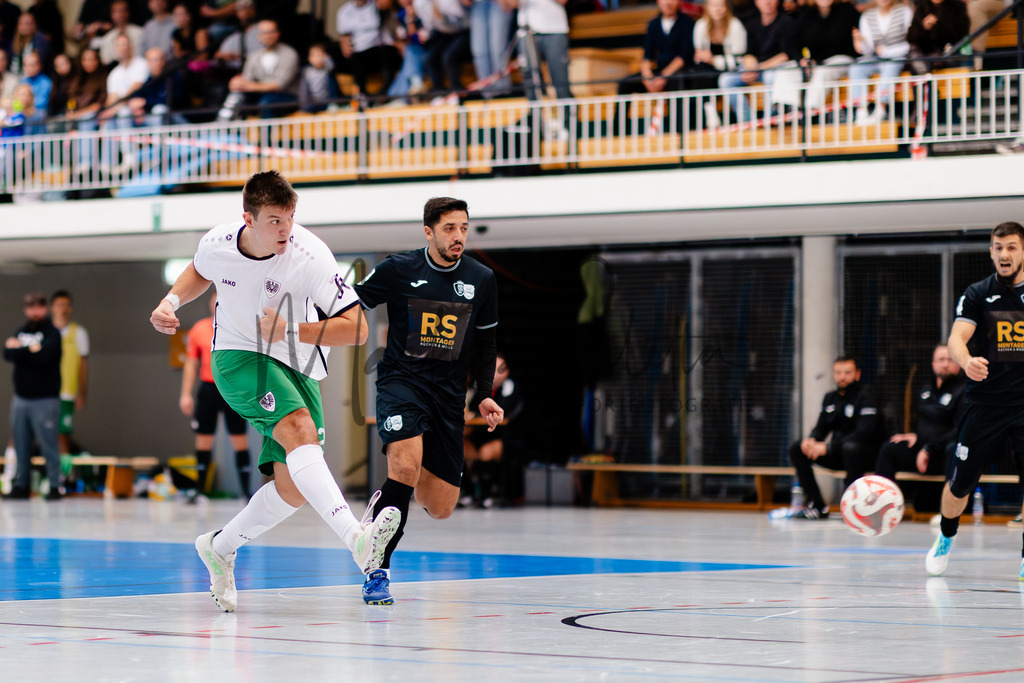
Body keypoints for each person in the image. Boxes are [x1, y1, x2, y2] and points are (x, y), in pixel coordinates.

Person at [149, 170, 400, 613]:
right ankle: (357, 541)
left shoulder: (309, 255)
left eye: (289, 217)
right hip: (238, 356)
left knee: (293, 489)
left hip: (298, 359)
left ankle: (219, 546)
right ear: (248, 218)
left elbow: (358, 329)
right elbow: (198, 271)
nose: (285, 230)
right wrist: (171, 301)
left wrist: (293, 329)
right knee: (299, 427)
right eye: (273, 221)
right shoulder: (218, 242)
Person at [353, 196, 503, 605]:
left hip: (449, 398)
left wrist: (485, 394)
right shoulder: (399, 269)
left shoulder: (482, 278)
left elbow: (486, 344)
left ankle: (386, 504)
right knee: (403, 467)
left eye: (464, 228)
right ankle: (377, 569)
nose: (458, 236)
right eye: (450, 228)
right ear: (429, 231)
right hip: (402, 383)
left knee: (439, 506)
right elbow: (352, 303)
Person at [926, 221, 1024, 578]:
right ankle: (946, 537)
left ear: (1022, 251)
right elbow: (956, 338)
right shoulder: (978, 293)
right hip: (985, 403)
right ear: (991, 252)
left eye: (1011, 247)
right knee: (960, 483)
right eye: (998, 247)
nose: (1004, 254)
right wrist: (966, 361)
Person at [785, 356, 882, 519]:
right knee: (797, 449)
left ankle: (852, 508)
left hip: (865, 456)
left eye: (847, 372)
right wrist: (812, 440)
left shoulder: (866, 397)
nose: (842, 376)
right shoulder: (830, 398)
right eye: (838, 372)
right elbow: (821, 427)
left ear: (857, 374)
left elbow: (863, 434)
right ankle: (817, 506)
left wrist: (828, 447)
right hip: (839, 453)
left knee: (850, 447)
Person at [180, 291, 252, 501]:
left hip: (233, 390)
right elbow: (191, 364)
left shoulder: (239, 327)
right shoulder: (199, 329)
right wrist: (185, 394)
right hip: (208, 389)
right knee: (203, 440)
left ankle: (246, 492)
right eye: (215, 300)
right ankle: (200, 490)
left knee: (239, 439)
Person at [875, 344, 965, 510]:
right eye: (941, 359)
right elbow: (926, 422)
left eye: (950, 359)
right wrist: (915, 435)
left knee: (954, 448)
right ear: (933, 364)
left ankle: (950, 509)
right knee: (889, 449)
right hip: (922, 454)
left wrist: (930, 448)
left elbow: (959, 430)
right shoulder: (925, 389)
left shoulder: (964, 391)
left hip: (943, 455)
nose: (945, 363)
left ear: (958, 363)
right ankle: (881, 506)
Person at [3, 292, 62, 501]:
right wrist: (31, 350)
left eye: (38, 306)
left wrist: (21, 350)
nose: (34, 311)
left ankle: (55, 486)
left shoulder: (52, 333)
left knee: (48, 444)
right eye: (30, 307)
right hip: (21, 398)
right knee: (20, 443)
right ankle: (21, 485)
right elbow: (7, 354)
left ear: (44, 308)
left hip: (45, 399)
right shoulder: (22, 331)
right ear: (25, 309)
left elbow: (44, 358)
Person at [717, 0, 799, 122]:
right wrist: (751, 68)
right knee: (726, 80)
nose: (767, 2)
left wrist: (759, 68)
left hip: (776, 68)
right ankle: (747, 120)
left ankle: (768, 120)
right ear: (756, 2)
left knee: (770, 77)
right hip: (757, 68)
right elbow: (748, 53)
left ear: (777, 2)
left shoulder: (787, 23)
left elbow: (785, 55)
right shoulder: (752, 23)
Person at [461, 352, 522, 507]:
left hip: (501, 437)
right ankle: (467, 491)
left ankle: (487, 493)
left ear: (506, 372)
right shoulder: (479, 387)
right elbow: (474, 410)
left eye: (498, 369)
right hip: (478, 435)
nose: (493, 373)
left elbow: (505, 413)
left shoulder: (510, 389)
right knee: (458, 448)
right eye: (490, 368)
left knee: (486, 452)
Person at [216, 19, 299, 120]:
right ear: (259, 36)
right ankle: (224, 124)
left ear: (278, 33)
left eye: (271, 31)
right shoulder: (254, 56)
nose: (268, 35)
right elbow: (246, 79)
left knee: (266, 102)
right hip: (261, 95)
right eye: (264, 32)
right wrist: (237, 84)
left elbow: (279, 85)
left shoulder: (289, 54)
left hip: (286, 97)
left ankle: (265, 136)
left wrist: (249, 86)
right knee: (237, 97)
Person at [794, 0, 860, 122]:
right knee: (789, 70)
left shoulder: (847, 10)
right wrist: (802, 59)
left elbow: (848, 42)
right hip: (817, 62)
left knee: (824, 71)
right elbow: (796, 42)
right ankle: (788, 112)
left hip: (843, 59)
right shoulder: (807, 14)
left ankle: (811, 115)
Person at [848, 0, 912, 125]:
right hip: (876, 58)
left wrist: (888, 51)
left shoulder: (904, 11)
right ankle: (861, 111)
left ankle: (880, 109)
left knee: (891, 65)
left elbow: (910, 42)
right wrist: (859, 41)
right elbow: (868, 49)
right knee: (856, 68)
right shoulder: (867, 16)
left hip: (898, 56)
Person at [617, 0, 695, 96]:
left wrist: (663, 76)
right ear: (658, 2)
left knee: (676, 81)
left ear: (679, 2)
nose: (668, 2)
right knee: (625, 83)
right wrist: (648, 77)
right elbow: (647, 56)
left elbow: (684, 56)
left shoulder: (687, 23)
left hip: (678, 72)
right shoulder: (653, 24)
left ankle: (672, 111)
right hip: (658, 72)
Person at [49, 290, 90, 456]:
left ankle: (62, 474)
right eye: (59, 305)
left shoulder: (78, 333)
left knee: (62, 433)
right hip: (45, 392)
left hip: (67, 391)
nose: (63, 309)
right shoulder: (45, 332)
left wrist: (82, 391)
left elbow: (83, 365)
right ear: (52, 308)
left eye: (66, 305)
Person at [336, 0, 401, 97]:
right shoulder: (344, 12)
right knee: (354, 57)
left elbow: (392, 18)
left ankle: (386, 92)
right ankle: (362, 95)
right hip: (358, 52)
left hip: (377, 48)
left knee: (388, 51)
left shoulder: (377, 5)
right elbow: (345, 38)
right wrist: (345, 44)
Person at [906, 0, 969, 75]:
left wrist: (938, 24)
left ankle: (927, 81)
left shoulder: (957, 6)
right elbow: (911, 37)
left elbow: (959, 34)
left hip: (950, 53)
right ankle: (926, 80)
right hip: (925, 53)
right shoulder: (922, 7)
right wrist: (924, 27)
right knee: (916, 55)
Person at [98, 0, 144, 67]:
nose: (119, 14)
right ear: (111, 14)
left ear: (128, 13)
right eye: (115, 11)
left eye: (122, 11)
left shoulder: (139, 32)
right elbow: (106, 60)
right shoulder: (107, 38)